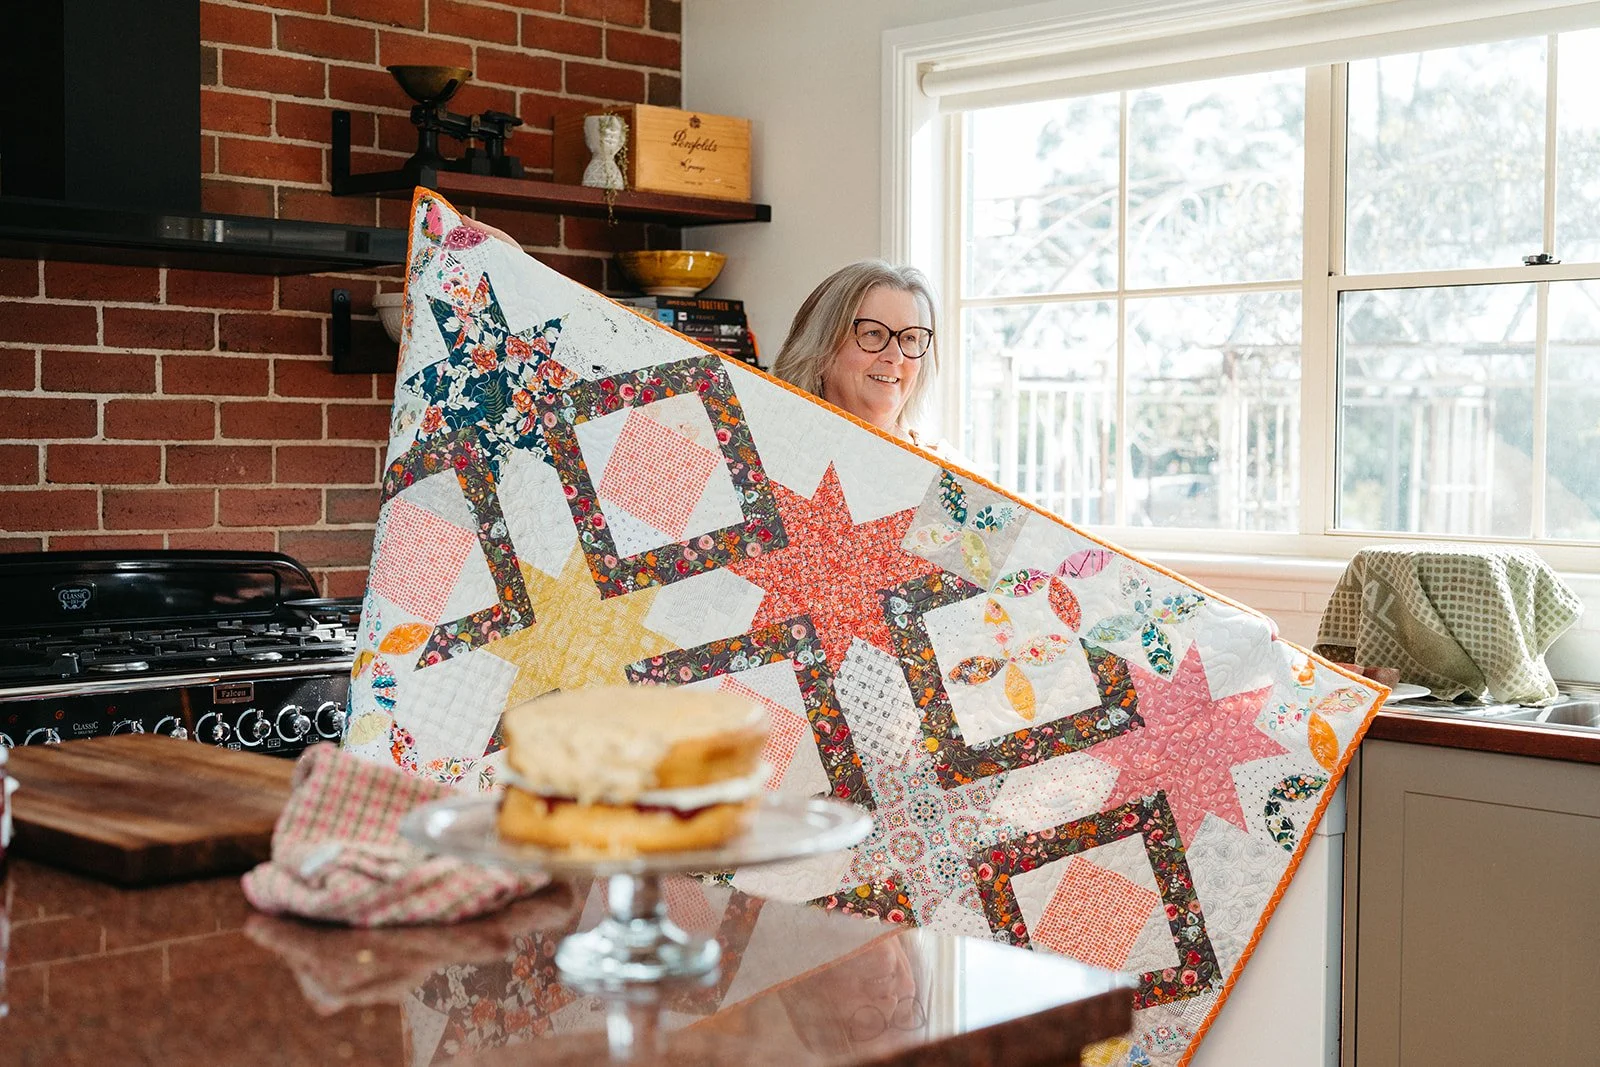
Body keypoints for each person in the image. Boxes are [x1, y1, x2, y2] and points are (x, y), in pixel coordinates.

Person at [771, 260, 945, 453]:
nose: (896, 356)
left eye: (909, 338)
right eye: (873, 333)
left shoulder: (951, 476)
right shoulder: (767, 452)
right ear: (822, 348)